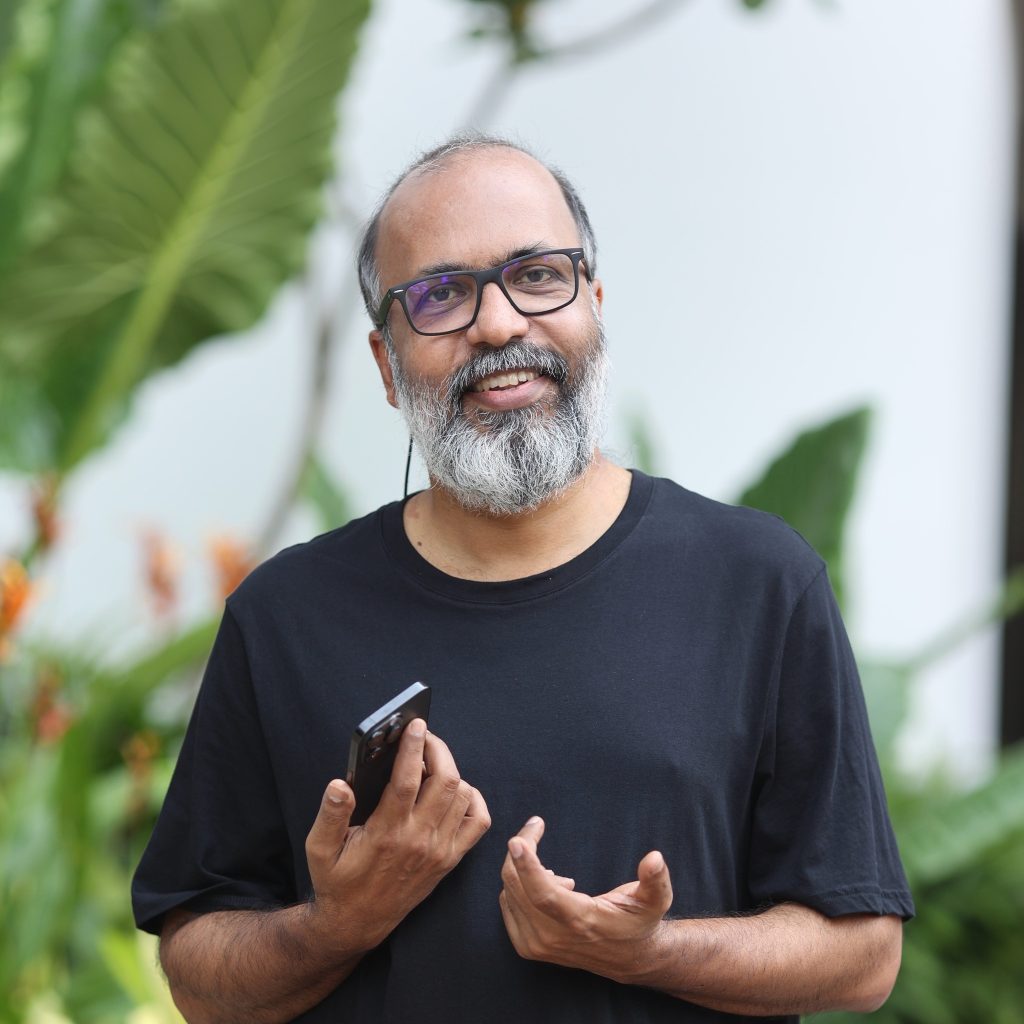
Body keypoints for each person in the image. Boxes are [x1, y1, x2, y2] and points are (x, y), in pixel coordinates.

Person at [132, 134, 914, 1024]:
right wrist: (337, 925)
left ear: (594, 308)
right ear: (387, 364)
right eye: (440, 294)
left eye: (538, 275)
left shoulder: (759, 584)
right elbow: (198, 981)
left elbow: (863, 956)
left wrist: (650, 952)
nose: (500, 324)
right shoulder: (284, 617)